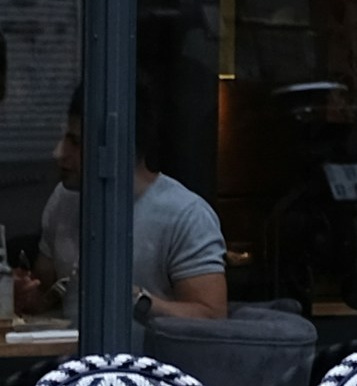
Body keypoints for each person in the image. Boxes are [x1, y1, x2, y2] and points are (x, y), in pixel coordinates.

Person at [31, 104, 232, 322]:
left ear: (117, 147)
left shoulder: (186, 214)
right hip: (68, 353)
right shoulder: (63, 198)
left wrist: (138, 301)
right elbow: (43, 292)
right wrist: (24, 293)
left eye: (76, 143)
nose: (58, 153)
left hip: (147, 354)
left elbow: (211, 316)